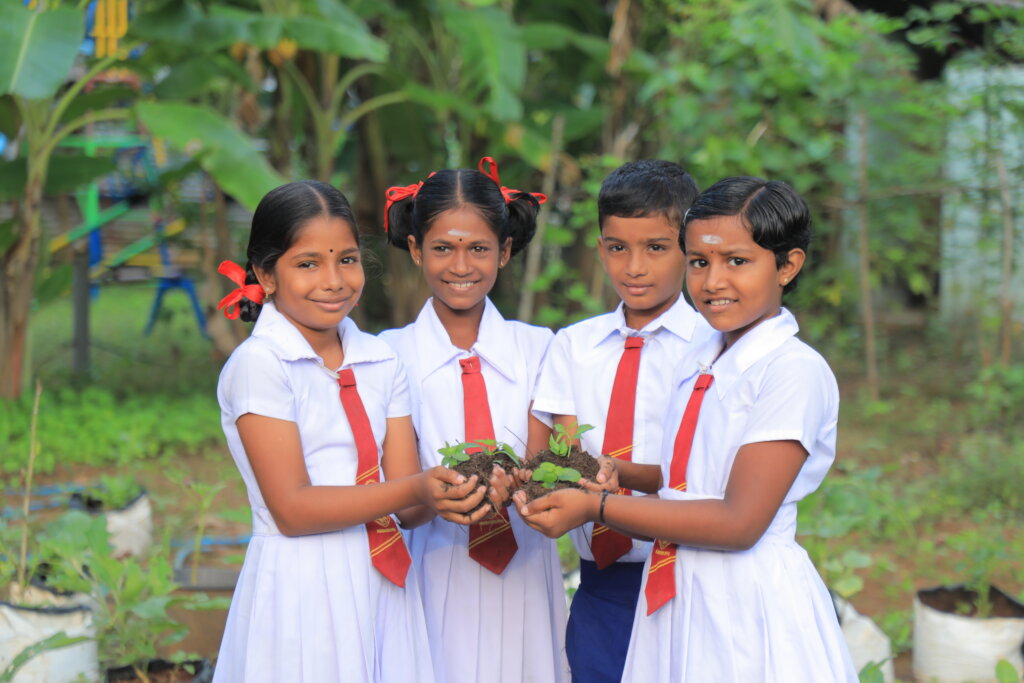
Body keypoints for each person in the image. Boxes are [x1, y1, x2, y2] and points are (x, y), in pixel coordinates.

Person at [515, 176, 859, 682]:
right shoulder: (704, 357)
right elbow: (693, 477)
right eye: (700, 261)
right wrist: (621, 473)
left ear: (788, 265)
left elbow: (739, 522)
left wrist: (598, 506)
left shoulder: (792, 372)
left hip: (745, 601)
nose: (713, 281)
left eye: (736, 262)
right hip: (680, 586)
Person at [213, 180, 490, 683]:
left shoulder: (381, 359)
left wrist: (456, 489)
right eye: (307, 263)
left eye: (346, 259)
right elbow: (293, 509)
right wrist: (415, 487)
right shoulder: (260, 365)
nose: (334, 280)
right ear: (264, 274)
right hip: (302, 586)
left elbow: (407, 507)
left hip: (382, 581)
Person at [379, 157, 569, 683]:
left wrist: (523, 480)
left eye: (479, 248)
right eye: (442, 247)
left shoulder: (541, 349)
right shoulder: (385, 357)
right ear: (416, 249)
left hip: (525, 568)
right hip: (431, 566)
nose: (460, 265)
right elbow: (396, 486)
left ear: (505, 251)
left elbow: (542, 458)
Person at [528, 160, 713, 683]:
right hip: (600, 587)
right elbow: (564, 453)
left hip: (686, 576)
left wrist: (623, 475)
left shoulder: (711, 351)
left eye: (656, 247)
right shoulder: (572, 347)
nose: (634, 267)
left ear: (690, 248)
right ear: (600, 246)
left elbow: (705, 475)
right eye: (617, 247)